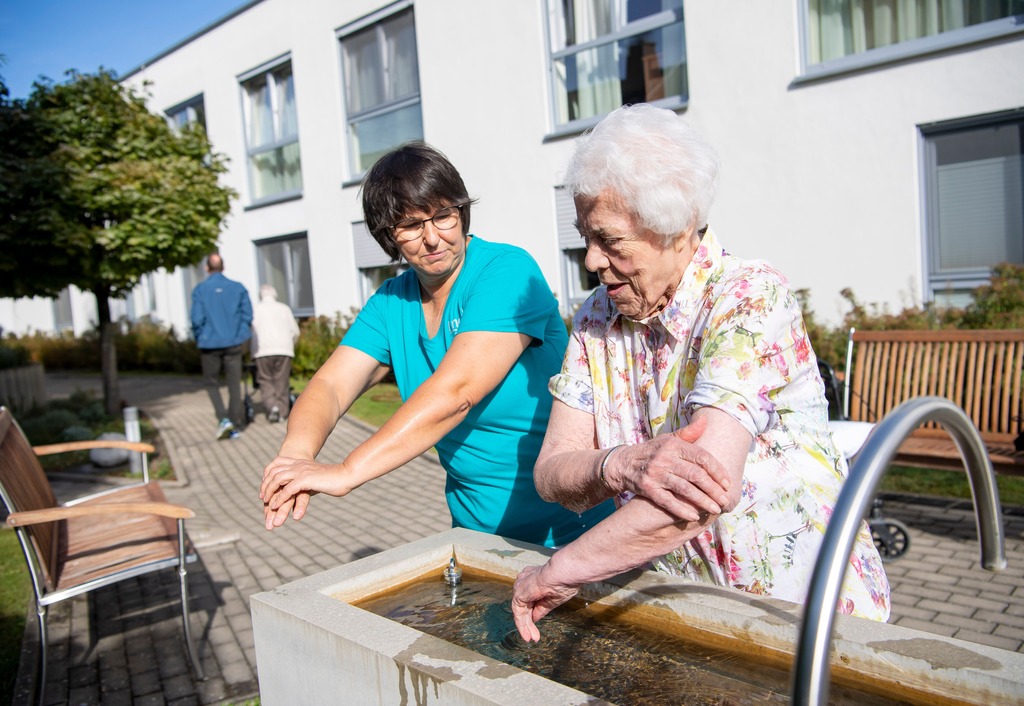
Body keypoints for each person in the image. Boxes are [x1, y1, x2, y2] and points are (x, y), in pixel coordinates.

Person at [511, 105, 890, 642]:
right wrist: (617, 465)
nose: (591, 260)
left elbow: (698, 494)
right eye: (584, 238)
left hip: (806, 615)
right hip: (692, 617)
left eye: (610, 240)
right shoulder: (597, 319)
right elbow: (551, 474)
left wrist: (558, 572)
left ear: (677, 228)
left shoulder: (749, 298)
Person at [260, 141, 615, 546]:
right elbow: (330, 386)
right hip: (479, 536)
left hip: (576, 530)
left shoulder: (507, 272)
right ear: (388, 236)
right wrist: (295, 455)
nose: (432, 238)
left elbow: (457, 392)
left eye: (443, 216)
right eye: (411, 226)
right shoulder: (391, 303)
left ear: (461, 212)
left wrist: (347, 470)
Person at [191, 253, 253, 440]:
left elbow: (196, 319)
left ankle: (223, 419)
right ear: (223, 267)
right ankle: (233, 422)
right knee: (234, 383)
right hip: (233, 342)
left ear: (206, 268)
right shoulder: (238, 288)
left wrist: (200, 337)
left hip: (210, 344)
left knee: (211, 383)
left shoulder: (200, 290)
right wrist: (240, 335)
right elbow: (248, 316)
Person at [251, 284, 300, 423]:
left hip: (262, 350)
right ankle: (283, 413)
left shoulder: (255, 310)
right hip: (284, 349)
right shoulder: (284, 308)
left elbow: (250, 332)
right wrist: (291, 344)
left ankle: (272, 407)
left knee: (265, 380)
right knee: (282, 380)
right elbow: (295, 331)